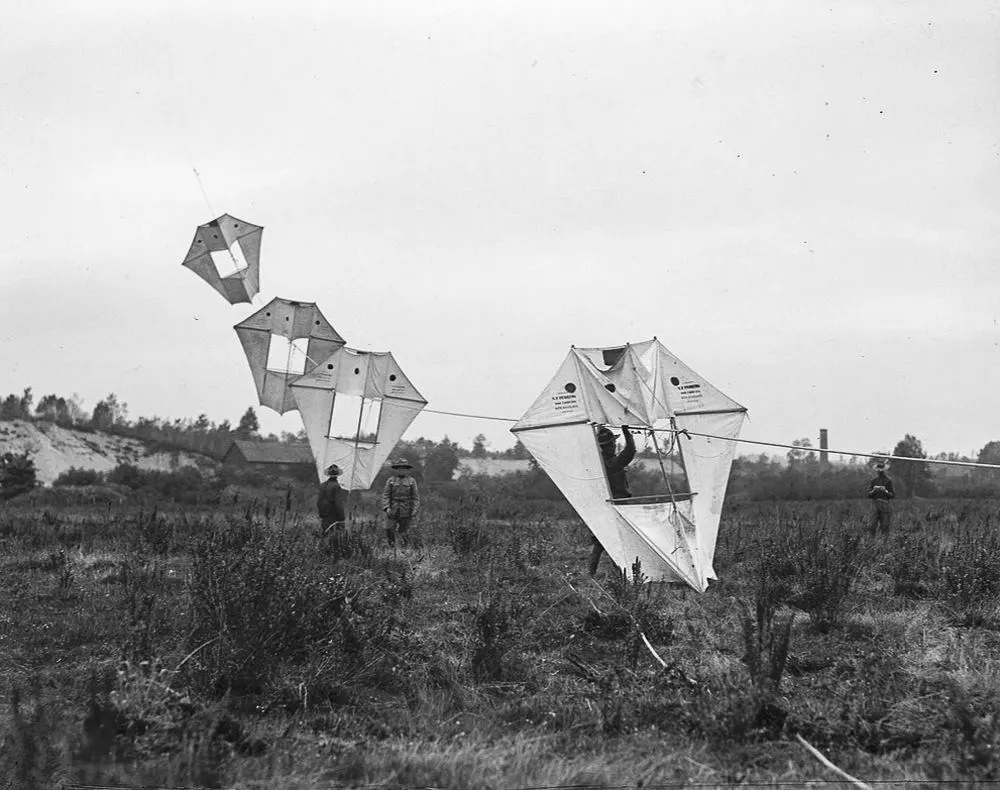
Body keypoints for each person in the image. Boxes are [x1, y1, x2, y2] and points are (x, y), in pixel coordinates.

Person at [589, 425, 636, 576]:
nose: (615, 445)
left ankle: (592, 575)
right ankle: (620, 576)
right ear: (608, 446)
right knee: (618, 541)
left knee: (600, 542)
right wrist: (627, 432)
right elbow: (629, 452)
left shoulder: (598, 461)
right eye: (613, 443)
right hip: (616, 505)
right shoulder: (609, 464)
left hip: (603, 505)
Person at [382, 458, 420, 547]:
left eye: (404, 468)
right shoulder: (391, 480)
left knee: (404, 532)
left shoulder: (411, 481)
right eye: (400, 468)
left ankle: (405, 550)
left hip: (406, 510)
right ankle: (392, 548)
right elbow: (386, 495)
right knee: (389, 529)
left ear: (407, 470)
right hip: (392, 509)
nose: (402, 470)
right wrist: (386, 507)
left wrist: (415, 510)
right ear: (396, 469)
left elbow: (416, 497)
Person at [317, 463, 347, 534]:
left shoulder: (322, 485)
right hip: (333, 514)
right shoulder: (336, 486)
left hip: (324, 514)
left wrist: (321, 513)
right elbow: (338, 503)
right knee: (335, 535)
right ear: (337, 475)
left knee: (325, 533)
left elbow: (319, 501)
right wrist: (342, 516)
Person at [867, 461, 895, 534]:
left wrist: (885, 491)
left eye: (881, 469)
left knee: (885, 526)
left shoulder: (888, 480)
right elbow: (869, 495)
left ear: (884, 470)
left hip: (885, 504)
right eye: (878, 469)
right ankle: (871, 543)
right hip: (875, 504)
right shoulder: (874, 481)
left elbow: (892, 495)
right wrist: (874, 490)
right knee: (871, 525)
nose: (879, 471)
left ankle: (884, 544)